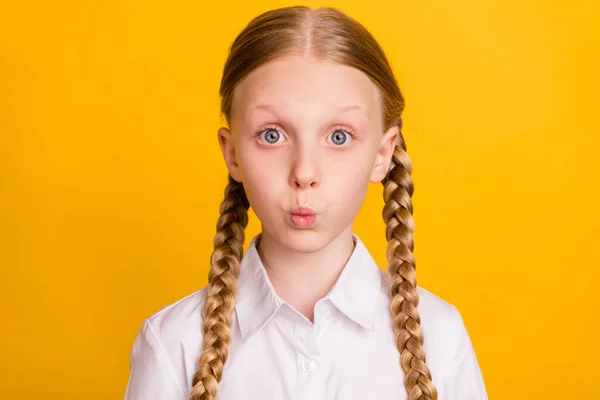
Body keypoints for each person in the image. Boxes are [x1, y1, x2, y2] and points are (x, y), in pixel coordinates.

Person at [124, 5, 487, 400]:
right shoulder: (172, 344)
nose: (304, 172)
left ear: (383, 154)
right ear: (232, 154)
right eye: (272, 135)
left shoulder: (442, 338)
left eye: (338, 137)